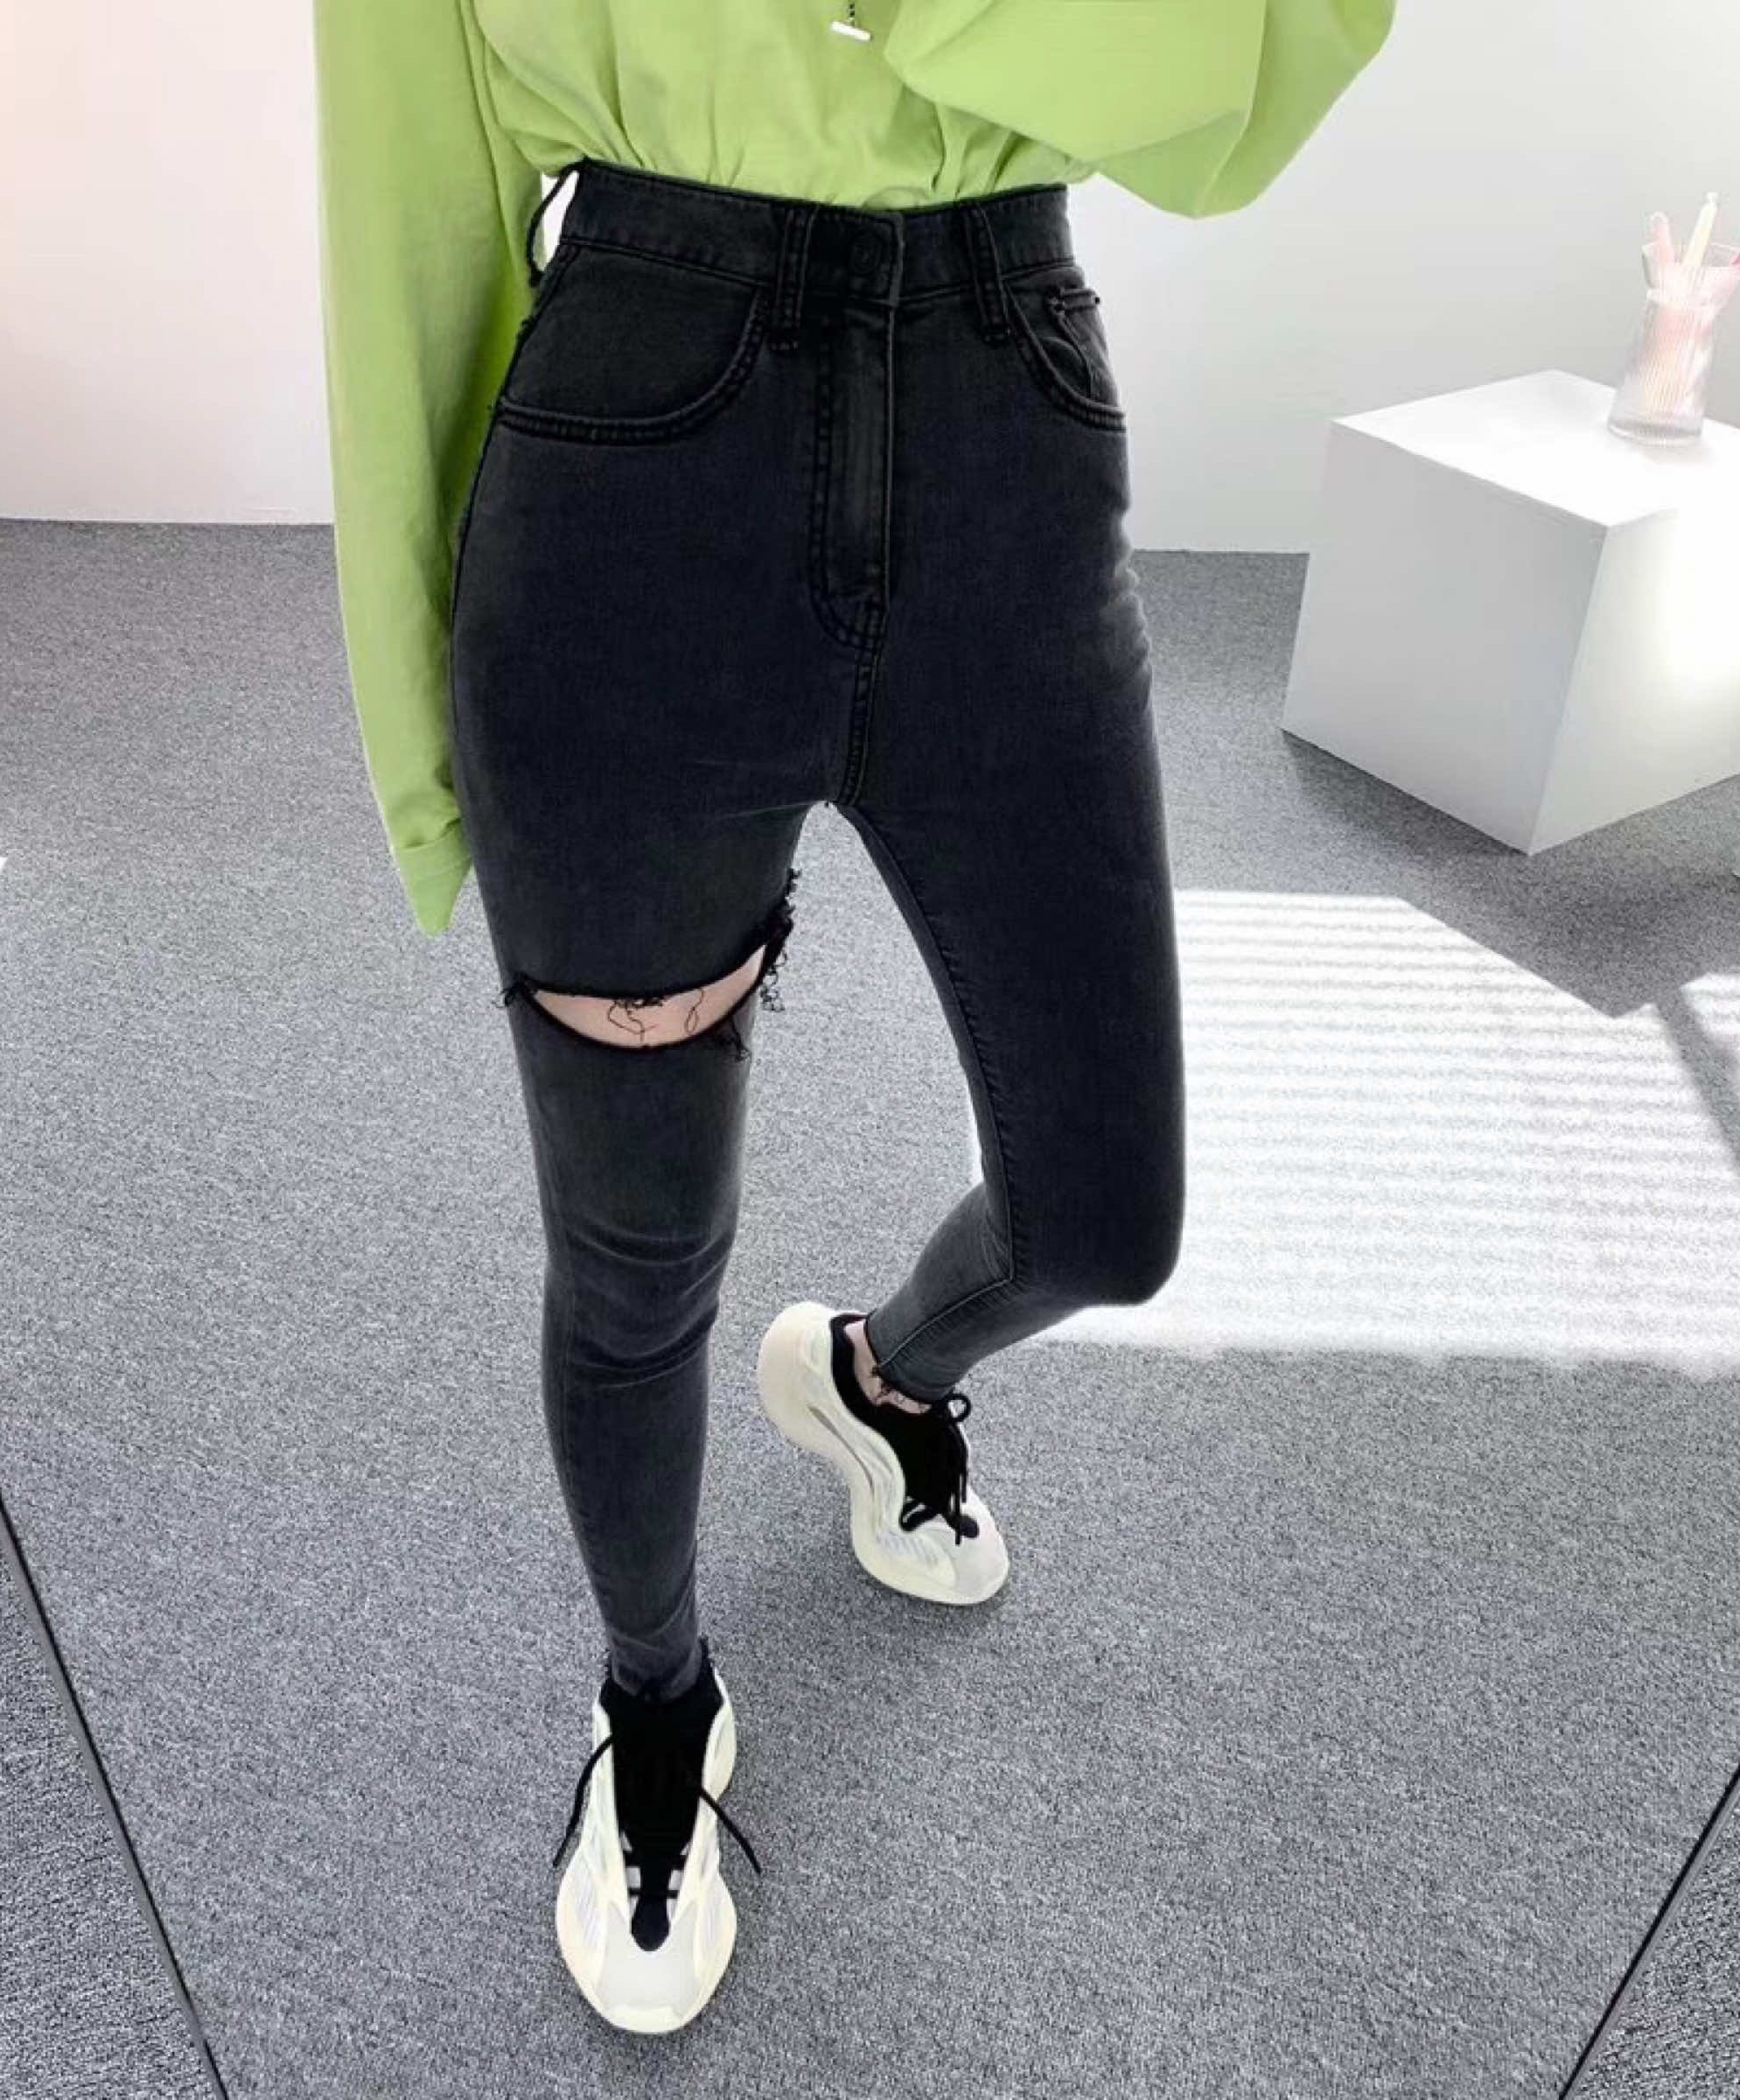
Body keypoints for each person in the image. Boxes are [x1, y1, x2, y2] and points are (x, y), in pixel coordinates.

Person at [311, 0, 1395, 2035]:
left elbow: (1242, 97)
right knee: (636, 1253)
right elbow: (406, 221)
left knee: (1107, 1218)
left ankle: (879, 1378)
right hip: (638, 455)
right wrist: (423, 729)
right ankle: (655, 1699)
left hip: (1008, 414)